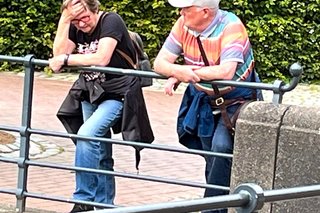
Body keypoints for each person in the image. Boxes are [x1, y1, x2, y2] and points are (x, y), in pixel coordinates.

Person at [154, 0, 262, 212]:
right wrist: (179, 72)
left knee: (221, 149)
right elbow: (160, 63)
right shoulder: (183, 24)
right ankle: (220, 204)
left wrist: (184, 73)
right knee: (211, 155)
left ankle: (212, 208)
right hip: (205, 100)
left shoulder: (231, 26)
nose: (181, 12)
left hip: (236, 102)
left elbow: (226, 72)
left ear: (205, 11)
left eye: (186, 8)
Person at [49, 0, 153, 212]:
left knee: (86, 135)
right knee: (101, 153)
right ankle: (105, 206)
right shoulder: (74, 25)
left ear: (94, 9)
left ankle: (84, 200)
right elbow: (58, 56)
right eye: (75, 20)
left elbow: (102, 57)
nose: (81, 24)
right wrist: (65, 19)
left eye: (84, 17)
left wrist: (67, 59)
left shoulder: (111, 20)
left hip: (117, 92)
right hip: (91, 93)